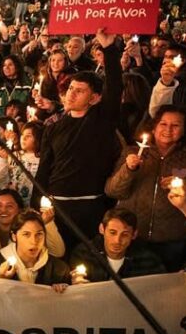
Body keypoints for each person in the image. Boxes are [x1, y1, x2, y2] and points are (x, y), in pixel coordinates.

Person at [38, 29, 123, 244]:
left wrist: (109, 48)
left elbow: (114, 87)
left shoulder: (101, 121)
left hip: (90, 207)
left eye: (80, 91)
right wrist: (35, 206)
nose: (71, 94)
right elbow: (44, 169)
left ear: (94, 98)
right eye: (70, 89)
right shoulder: (53, 127)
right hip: (57, 206)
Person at [105, 105, 186, 270]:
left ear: (184, 130)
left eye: (175, 125)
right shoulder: (133, 152)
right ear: (154, 127)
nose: (168, 130)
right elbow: (112, 191)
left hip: (173, 242)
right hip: (133, 237)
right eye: (163, 124)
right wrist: (128, 170)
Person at [69, 208, 166, 282]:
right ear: (102, 229)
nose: (117, 240)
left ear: (134, 234)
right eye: (112, 232)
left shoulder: (148, 260)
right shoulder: (84, 254)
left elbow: (160, 288)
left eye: (125, 234)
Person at [0, 211, 73, 292]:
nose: (34, 241)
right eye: (26, 234)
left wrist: (64, 291)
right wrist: (1, 280)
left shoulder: (59, 269)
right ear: (14, 236)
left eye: (39, 234)